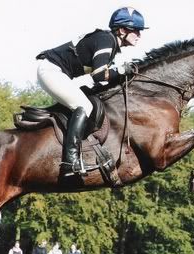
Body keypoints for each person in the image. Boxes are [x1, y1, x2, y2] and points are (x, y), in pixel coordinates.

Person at [35, 7, 146, 176]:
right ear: (122, 30)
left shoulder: (110, 43)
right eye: (136, 30)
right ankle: (70, 161)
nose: (139, 35)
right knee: (84, 106)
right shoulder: (107, 40)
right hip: (51, 71)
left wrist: (120, 73)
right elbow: (100, 74)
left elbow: (99, 79)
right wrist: (121, 71)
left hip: (57, 72)